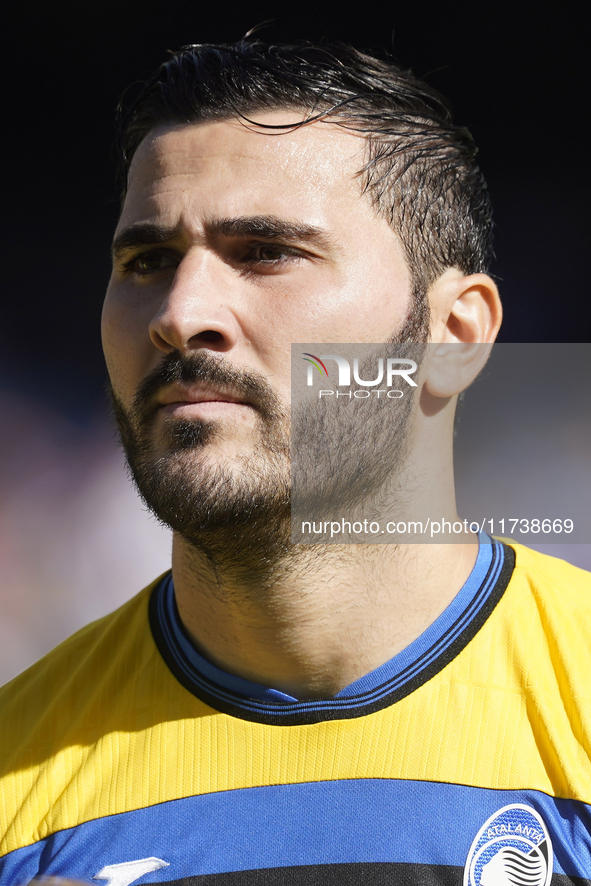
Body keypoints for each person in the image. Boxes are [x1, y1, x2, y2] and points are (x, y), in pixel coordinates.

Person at [1, 39, 590, 886]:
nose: (180, 311)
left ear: (453, 336)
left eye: (267, 252)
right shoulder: (17, 783)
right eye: (147, 261)